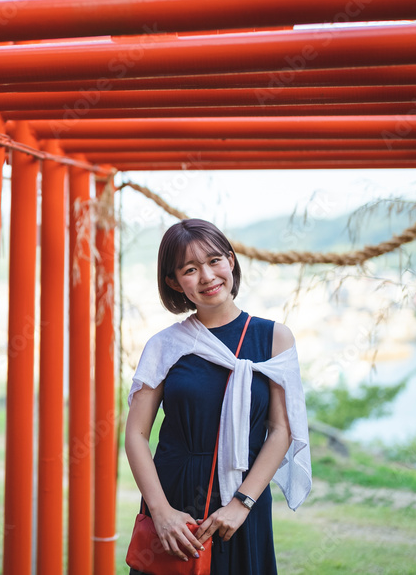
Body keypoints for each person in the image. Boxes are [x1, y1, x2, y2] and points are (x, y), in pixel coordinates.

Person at [126, 219, 311, 574]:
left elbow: (282, 429)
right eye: (190, 269)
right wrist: (161, 512)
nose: (207, 277)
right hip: (172, 497)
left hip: (243, 495)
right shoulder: (164, 345)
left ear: (230, 261)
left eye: (214, 261)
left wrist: (242, 503)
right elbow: (135, 435)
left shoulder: (274, 337)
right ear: (174, 282)